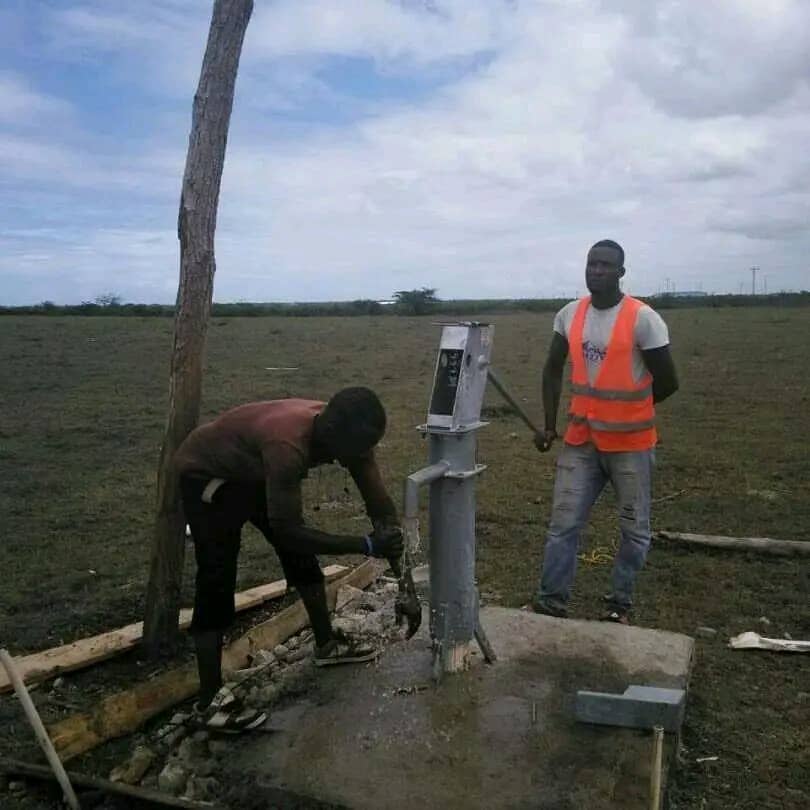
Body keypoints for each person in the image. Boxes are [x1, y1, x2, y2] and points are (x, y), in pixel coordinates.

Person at [175, 387, 403, 731]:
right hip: (208, 476)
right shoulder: (288, 446)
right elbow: (289, 532)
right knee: (217, 575)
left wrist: (394, 547)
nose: (351, 460)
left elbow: (378, 501)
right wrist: (367, 545)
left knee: (300, 559)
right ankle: (209, 702)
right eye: (350, 454)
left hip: (250, 470)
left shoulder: (351, 435)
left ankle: (326, 646)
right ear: (329, 436)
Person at [533, 240, 678, 624]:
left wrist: (628, 411)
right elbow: (551, 368)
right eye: (591, 263)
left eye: (605, 265)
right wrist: (550, 425)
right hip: (581, 443)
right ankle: (550, 603)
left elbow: (667, 381)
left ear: (621, 273)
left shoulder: (643, 318)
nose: (596, 270)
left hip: (630, 445)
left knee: (634, 531)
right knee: (562, 525)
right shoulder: (569, 315)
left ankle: (619, 604)